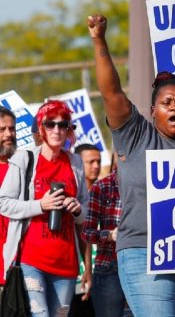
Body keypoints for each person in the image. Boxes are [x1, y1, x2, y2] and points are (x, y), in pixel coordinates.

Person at [88, 14, 175, 316]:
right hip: (142, 250)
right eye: (168, 102)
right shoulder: (136, 135)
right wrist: (99, 41)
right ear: (153, 111)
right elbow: (111, 92)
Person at [0, 100, 88, 317]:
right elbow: (3, 202)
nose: (57, 130)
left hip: (66, 264)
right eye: (50, 124)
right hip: (31, 260)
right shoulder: (25, 157)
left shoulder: (76, 163)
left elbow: (86, 212)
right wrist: (41, 204)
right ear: (41, 128)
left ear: (69, 130)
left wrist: (77, 209)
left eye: (63, 124)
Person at [81, 154, 127, 317]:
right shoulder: (102, 187)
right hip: (110, 266)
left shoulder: (150, 186)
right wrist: (109, 235)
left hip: (144, 266)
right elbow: (87, 233)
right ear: (116, 159)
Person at [69, 144, 102, 317]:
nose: (96, 166)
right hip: (74, 276)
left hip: (101, 274)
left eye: (98, 161)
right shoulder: (71, 197)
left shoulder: (105, 194)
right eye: (91, 162)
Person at [0, 106, 17, 301]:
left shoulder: (26, 167)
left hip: (21, 271)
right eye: (2, 130)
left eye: (11, 129)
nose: (8, 134)